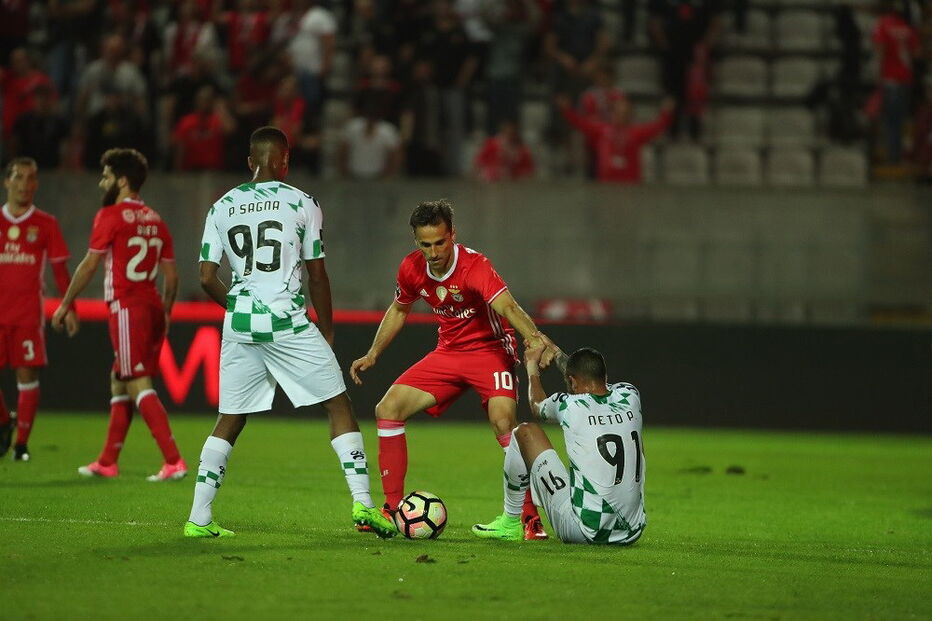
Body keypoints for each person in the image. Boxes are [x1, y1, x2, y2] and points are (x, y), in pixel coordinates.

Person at [184, 126, 395, 539]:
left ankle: (199, 517)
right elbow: (317, 274)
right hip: (287, 322)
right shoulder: (303, 203)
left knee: (230, 417)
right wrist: (328, 330)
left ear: (250, 162)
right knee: (338, 405)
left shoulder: (221, 206)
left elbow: (207, 277)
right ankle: (364, 506)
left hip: (240, 324)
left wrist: (240, 306)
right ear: (286, 161)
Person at [349, 199, 562, 540]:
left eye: (440, 243)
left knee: (504, 422)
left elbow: (508, 306)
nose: (433, 252)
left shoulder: (475, 266)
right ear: (416, 241)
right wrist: (373, 353)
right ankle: (390, 509)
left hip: (491, 351)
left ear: (452, 236)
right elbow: (400, 309)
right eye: (425, 244)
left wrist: (535, 339)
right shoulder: (411, 269)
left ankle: (527, 520)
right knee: (388, 408)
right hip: (448, 353)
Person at [52, 148, 186, 482]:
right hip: (153, 306)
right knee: (120, 377)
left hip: (127, 305)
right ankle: (108, 461)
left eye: (107, 176)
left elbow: (90, 264)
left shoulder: (110, 216)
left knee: (137, 380)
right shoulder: (156, 218)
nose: (102, 183)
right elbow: (172, 278)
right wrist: (166, 314)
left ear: (122, 181)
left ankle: (173, 461)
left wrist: (66, 302)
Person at [473, 345, 646, 544]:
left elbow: (537, 407)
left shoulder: (571, 406)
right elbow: (586, 376)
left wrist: (531, 368)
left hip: (585, 531)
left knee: (525, 432)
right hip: (632, 531)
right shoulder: (630, 395)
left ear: (572, 381)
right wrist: (556, 353)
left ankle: (510, 522)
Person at [0, 158, 79, 461]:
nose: (24, 184)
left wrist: (68, 305)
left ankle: (21, 444)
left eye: (31, 178)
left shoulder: (45, 224)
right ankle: (4, 422)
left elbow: (60, 271)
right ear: (7, 181)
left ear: (36, 184)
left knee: (26, 377)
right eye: (18, 177)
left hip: (26, 315)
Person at [557, 94, 674, 184]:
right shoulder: (601, 130)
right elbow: (580, 123)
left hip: (630, 185)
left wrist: (666, 112)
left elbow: (658, 126)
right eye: (618, 112)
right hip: (607, 183)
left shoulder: (637, 132)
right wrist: (567, 110)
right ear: (612, 113)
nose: (621, 115)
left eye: (625, 113)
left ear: (629, 115)